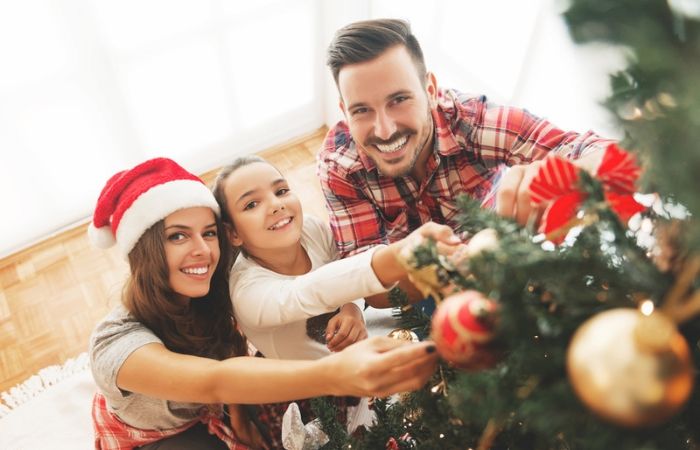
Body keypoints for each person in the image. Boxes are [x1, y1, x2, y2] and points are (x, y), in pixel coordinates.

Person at [87, 157, 439, 450]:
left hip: (221, 399)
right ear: (143, 249)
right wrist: (338, 375)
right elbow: (214, 379)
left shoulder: (210, 285)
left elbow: (233, 355)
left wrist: (240, 415)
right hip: (162, 435)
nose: (202, 250)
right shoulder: (114, 344)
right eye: (177, 235)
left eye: (208, 233)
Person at [318, 18, 616, 265]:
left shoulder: (475, 122)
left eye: (399, 99)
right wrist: (418, 262)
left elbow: (609, 154)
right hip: (415, 291)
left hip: (505, 261)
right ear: (345, 112)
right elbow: (362, 271)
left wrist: (569, 176)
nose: (383, 131)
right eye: (361, 110)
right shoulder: (339, 166)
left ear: (431, 90)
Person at [212, 155, 459, 361]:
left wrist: (351, 309)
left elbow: (344, 272)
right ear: (232, 233)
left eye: (281, 190)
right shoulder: (247, 292)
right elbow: (310, 290)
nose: (276, 204)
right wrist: (396, 254)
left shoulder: (311, 229)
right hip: (327, 395)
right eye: (252, 204)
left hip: (368, 348)